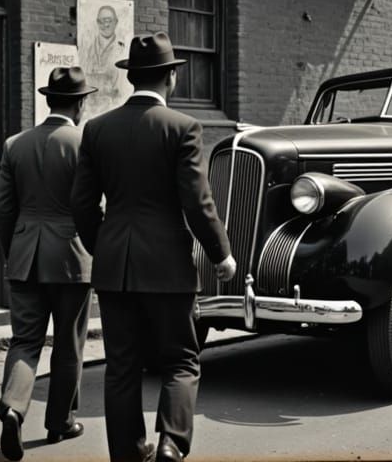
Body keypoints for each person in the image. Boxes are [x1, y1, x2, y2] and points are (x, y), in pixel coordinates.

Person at [71, 32, 236, 462]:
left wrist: (104, 245)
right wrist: (221, 254)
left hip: (114, 267)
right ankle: (171, 443)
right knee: (181, 360)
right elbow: (197, 202)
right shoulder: (182, 128)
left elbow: (82, 205)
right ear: (171, 78)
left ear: (132, 77)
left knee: (121, 367)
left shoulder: (97, 129)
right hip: (167, 265)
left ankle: (128, 453)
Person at [0, 67, 98, 461]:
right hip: (72, 257)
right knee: (68, 344)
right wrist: (93, 250)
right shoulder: (83, 143)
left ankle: (14, 409)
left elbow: (3, 209)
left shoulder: (14, 144)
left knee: (25, 341)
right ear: (80, 102)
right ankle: (60, 422)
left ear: (48, 99)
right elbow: (91, 207)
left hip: (25, 255)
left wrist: (14, 251)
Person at [81, 5, 126, 119]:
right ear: (97, 23)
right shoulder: (88, 49)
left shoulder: (123, 50)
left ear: (116, 22)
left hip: (112, 113)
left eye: (109, 21)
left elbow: (122, 91)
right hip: (89, 113)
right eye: (101, 21)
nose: (105, 25)